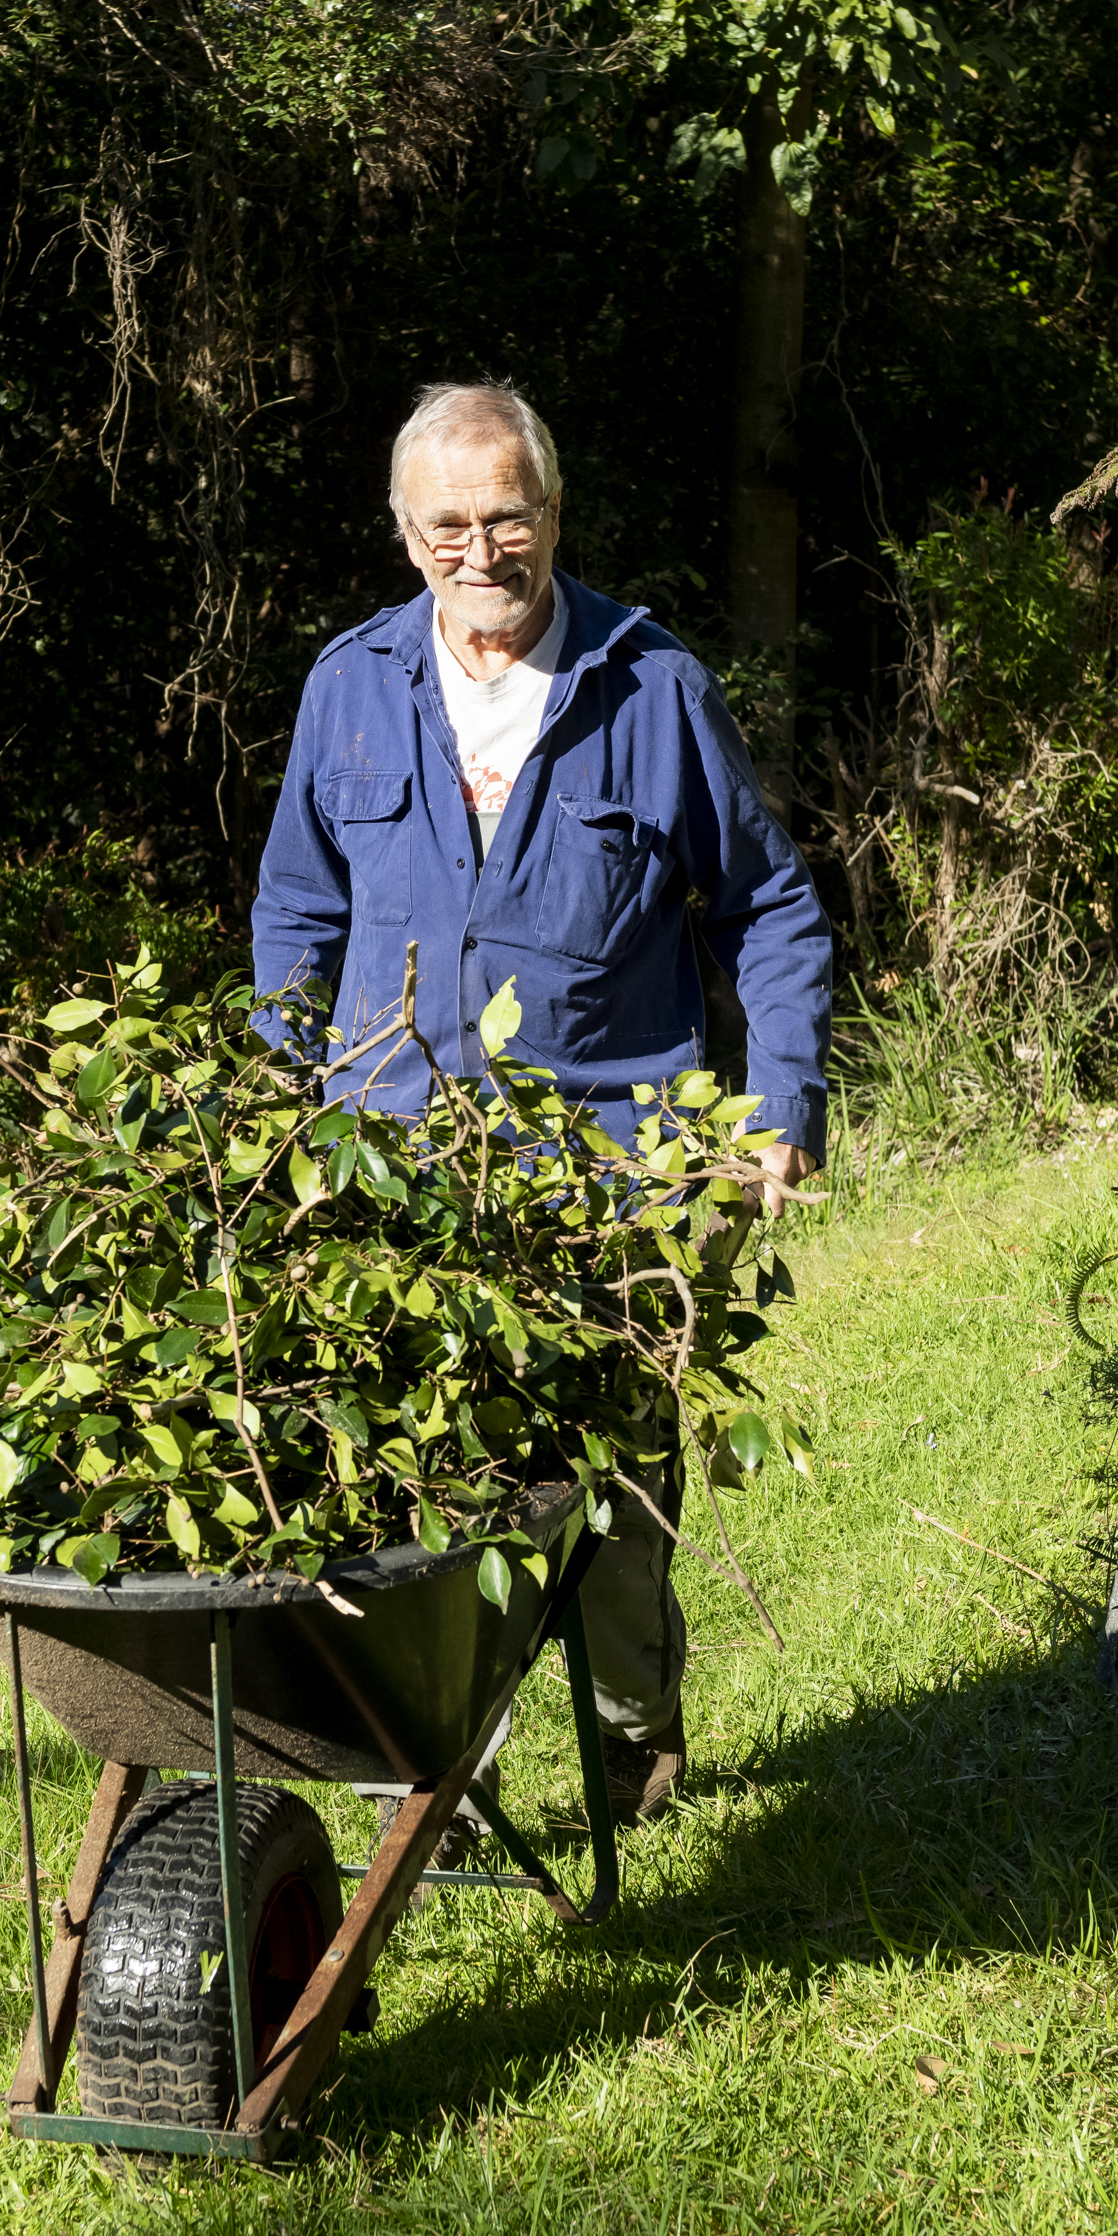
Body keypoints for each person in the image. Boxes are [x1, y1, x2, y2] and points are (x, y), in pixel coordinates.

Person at [252, 381, 835, 1827]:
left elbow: (769, 907)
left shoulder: (652, 688)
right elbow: (294, 910)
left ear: (555, 514)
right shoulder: (350, 686)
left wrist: (780, 1106)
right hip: (397, 1173)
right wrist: (277, 1112)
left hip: (617, 1174)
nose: (481, 549)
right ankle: (452, 1769)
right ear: (405, 535)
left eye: (507, 515)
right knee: (425, 1478)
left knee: (617, 1501)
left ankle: (633, 1755)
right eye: (448, 523)